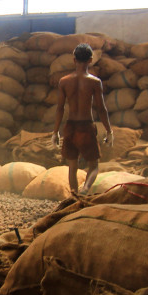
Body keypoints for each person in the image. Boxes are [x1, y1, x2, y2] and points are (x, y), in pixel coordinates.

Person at [52, 42, 113, 195]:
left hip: (70, 127)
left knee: (72, 167)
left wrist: (55, 132)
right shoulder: (94, 82)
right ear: (90, 60)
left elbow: (60, 108)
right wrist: (109, 131)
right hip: (86, 126)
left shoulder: (64, 81)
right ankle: (85, 189)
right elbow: (101, 109)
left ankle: (74, 196)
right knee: (94, 166)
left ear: (74, 60)